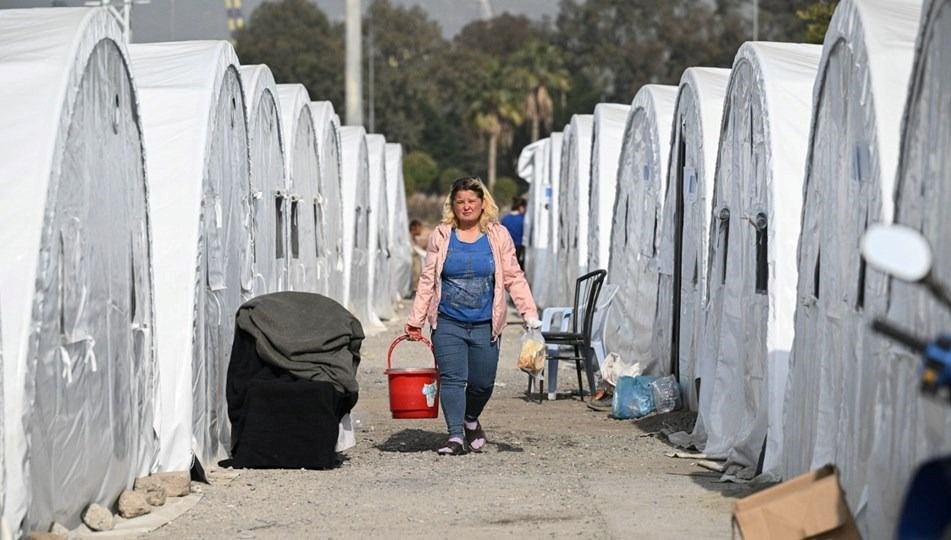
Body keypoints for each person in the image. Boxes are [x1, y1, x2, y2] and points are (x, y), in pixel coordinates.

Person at [405, 177, 540, 455]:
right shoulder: (442, 235)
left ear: (482, 204)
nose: (466, 207)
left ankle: (470, 419)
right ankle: (455, 435)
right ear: (452, 206)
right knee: (453, 379)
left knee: (482, 383)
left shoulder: (497, 235)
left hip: (485, 323)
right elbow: (428, 279)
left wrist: (530, 314)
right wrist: (416, 320)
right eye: (460, 202)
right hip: (447, 321)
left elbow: (514, 276)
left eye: (471, 201)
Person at [500, 197, 527, 269]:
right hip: (519, 248)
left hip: (506, 248)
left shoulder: (504, 219)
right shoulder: (523, 219)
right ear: (521, 207)